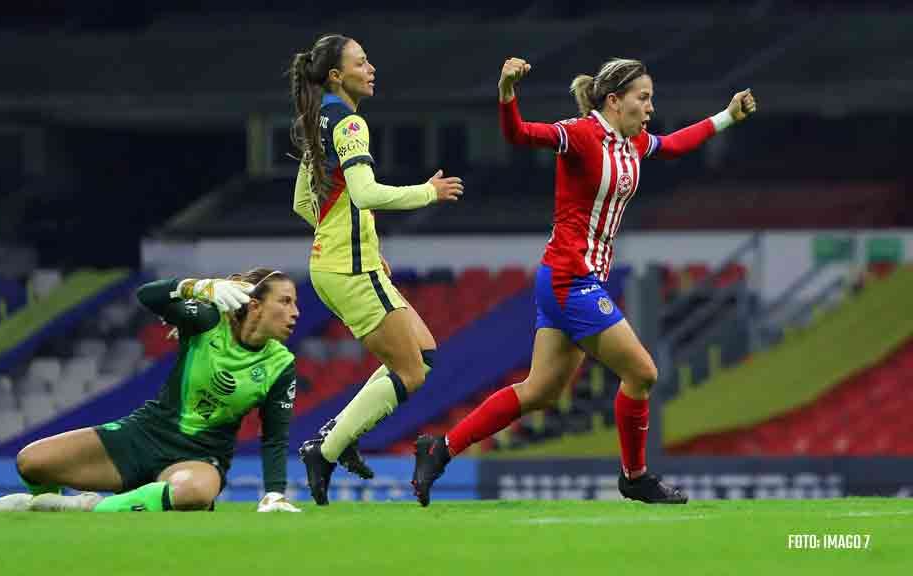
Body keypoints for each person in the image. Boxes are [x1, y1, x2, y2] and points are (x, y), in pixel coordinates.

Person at [411, 57, 758, 506]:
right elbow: (518, 134)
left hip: (568, 279)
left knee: (540, 391)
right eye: (644, 98)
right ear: (614, 101)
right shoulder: (580, 134)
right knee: (643, 372)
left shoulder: (629, 143)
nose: (650, 108)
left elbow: (672, 144)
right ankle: (635, 477)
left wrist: (728, 116)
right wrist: (507, 93)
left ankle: (440, 448)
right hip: (570, 279)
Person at [288, 34, 464, 505]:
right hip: (349, 268)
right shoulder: (347, 124)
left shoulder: (318, 117)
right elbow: (365, 193)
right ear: (335, 76)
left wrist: (355, 239)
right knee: (409, 370)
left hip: (341, 261)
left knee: (421, 356)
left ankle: (332, 441)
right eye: (361, 63)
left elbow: (303, 202)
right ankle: (326, 448)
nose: (371, 69)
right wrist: (428, 191)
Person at [0, 268, 303, 513]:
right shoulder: (208, 321)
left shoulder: (280, 364)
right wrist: (195, 287)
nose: (296, 313)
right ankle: (43, 511)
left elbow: (274, 436)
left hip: (200, 456)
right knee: (31, 462)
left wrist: (275, 493)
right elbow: (147, 296)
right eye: (286, 301)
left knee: (194, 492)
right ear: (256, 306)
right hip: (144, 434)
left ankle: (86, 507)